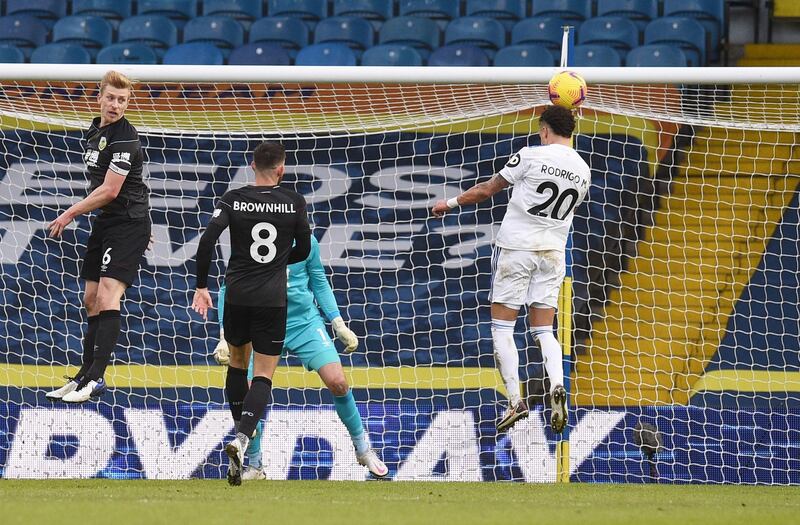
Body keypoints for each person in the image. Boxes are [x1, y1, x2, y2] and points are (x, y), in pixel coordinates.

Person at [431, 105, 590, 434]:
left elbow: (487, 190)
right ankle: (556, 386)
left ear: (545, 130)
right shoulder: (583, 170)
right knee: (545, 330)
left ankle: (515, 399)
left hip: (517, 248)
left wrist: (448, 204)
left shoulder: (531, 155)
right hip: (553, 253)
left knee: (503, 328)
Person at [212, 235, 389, 480]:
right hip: (261, 323)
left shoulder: (307, 240)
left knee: (338, 381)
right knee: (249, 392)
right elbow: (227, 288)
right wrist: (224, 335)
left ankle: (363, 450)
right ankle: (255, 465)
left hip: (303, 322)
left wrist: (338, 324)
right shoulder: (251, 237)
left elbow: (319, 280)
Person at [191, 141, 311, 486]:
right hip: (272, 299)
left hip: (237, 296)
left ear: (251, 165)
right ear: (281, 169)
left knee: (237, 366)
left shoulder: (232, 198)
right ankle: (243, 439)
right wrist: (277, 263)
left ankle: (240, 440)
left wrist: (202, 286)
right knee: (263, 375)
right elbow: (302, 248)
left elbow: (206, 241)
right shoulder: (294, 202)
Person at [46, 70, 151, 404]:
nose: (115, 105)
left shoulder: (125, 138)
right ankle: (82, 376)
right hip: (109, 223)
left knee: (107, 296)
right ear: (100, 97)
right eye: (110, 98)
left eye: (122, 100)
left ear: (127, 103)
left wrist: (69, 213)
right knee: (90, 299)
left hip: (128, 222)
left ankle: (96, 379)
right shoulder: (95, 130)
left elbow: (110, 190)